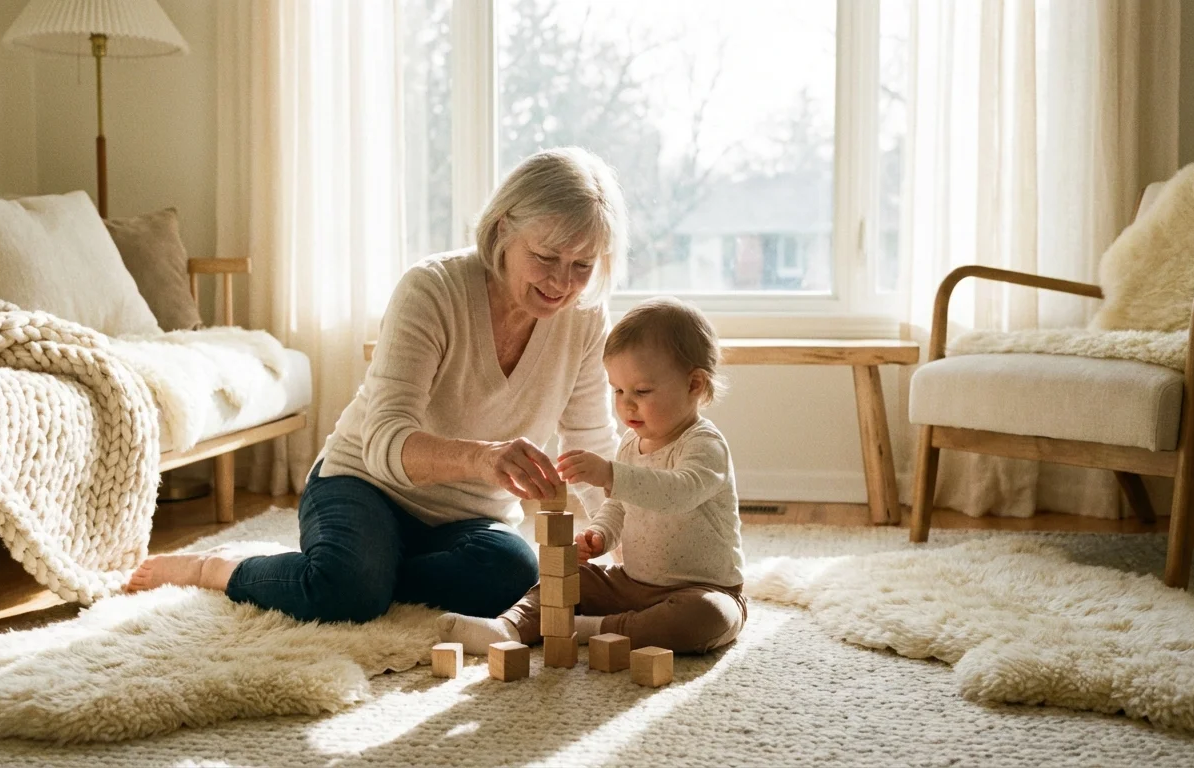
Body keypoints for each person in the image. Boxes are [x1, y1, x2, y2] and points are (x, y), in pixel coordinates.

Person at [125, 147, 627, 624]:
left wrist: (621, 539)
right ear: (502, 231)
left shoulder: (584, 319)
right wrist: (483, 458)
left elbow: (589, 443)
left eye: (582, 266)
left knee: (515, 574)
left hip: (468, 519)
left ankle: (358, 570)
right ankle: (219, 568)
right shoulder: (431, 289)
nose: (562, 282)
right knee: (347, 592)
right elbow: (385, 441)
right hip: (363, 484)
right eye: (546, 257)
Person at [437, 297, 747, 654]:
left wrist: (610, 474)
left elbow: (678, 494)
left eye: (642, 391)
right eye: (618, 390)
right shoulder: (633, 444)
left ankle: (593, 628)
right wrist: (600, 535)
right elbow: (620, 506)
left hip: (701, 588)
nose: (626, 404)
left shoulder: (704, 445)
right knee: (570, 580)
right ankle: (508, 627)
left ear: (694, 385)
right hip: (632, 583)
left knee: (706, 617)